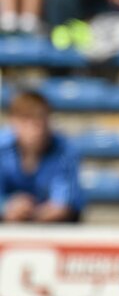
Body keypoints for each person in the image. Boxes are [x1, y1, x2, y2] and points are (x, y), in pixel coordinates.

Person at [1, 90, 84, 223]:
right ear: (13, 121)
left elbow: (64, 204)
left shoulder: (64, 150)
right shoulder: (2, 148)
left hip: (53, 230)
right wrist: (7, 207)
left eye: (40, 119)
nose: (35, 128)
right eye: (27, 119)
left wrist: (33, 214)